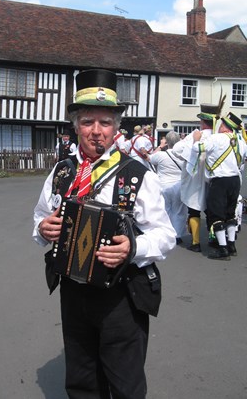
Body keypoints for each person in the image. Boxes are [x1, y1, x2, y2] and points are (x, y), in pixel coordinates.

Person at [33, 69, 176, 399]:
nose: (96, 132)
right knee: (81, 379)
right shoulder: (62, 171)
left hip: (120, 296)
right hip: (72, 290)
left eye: (105, 123)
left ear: (116, 129)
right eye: (87, 122)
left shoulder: (137, 174)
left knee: (125, 383)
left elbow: (165, 234)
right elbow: (40, 217)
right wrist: (43, 228)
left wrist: (133, 247)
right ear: (76, 126)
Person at [173, 95, 225, 252]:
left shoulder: (196, 135)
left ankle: (195, 243)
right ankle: (213, 239)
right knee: (212, 210)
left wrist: (189, 155)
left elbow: (176, 150)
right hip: (213, 178)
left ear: (202, 122)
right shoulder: (218, 137)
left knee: (194, 209)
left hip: (195, 178)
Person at [192, 112, 247, 260]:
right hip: (235, 180)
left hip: (220, 180)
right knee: (230, 214)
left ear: (224, 126)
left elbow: (198, 149)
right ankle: (231, 245)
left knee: (216, 214)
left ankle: (223, 249)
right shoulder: (241, 141)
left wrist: (195, 140)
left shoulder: (216, 138)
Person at [149, 131, 187, 244]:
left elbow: (149, 158)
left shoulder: (160, 155)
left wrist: (160, 147)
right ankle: (177, 235)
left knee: (165, 210)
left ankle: (165, 233)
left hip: (164, 185)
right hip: (180, 185)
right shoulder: (183, 156)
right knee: (179, 211)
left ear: (167, 142)